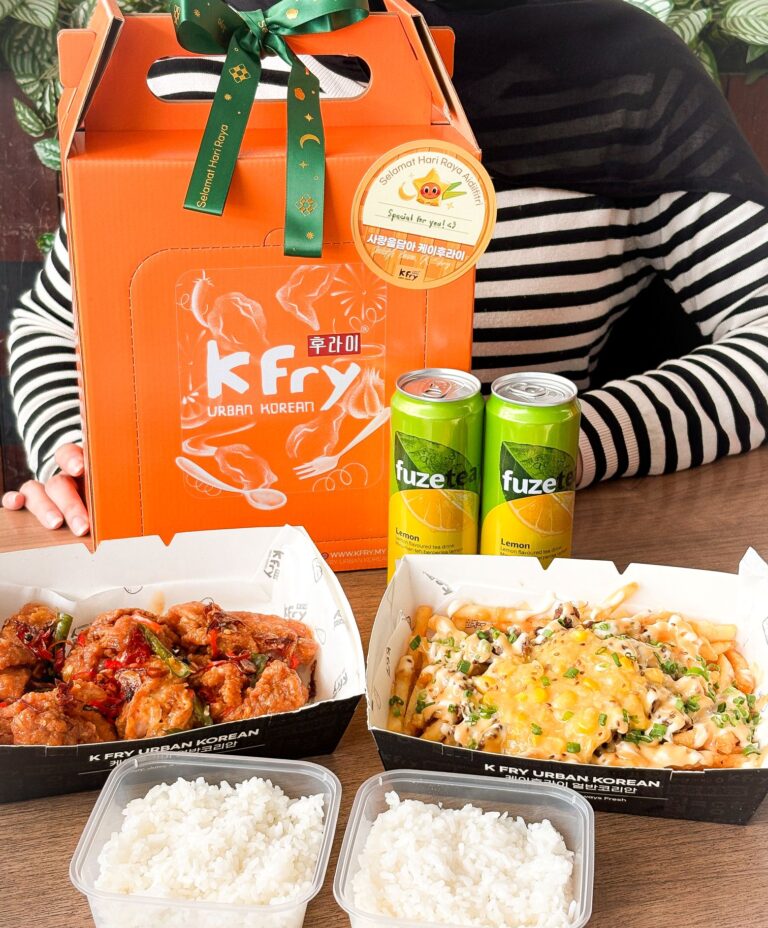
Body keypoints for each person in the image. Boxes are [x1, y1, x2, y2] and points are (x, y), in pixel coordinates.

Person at [4, 0, 768, 534]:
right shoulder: (210, 64)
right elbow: (51, 324)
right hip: (207, 563)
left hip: (502, 564)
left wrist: (558, 444)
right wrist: (75, 454)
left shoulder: (628, 76)